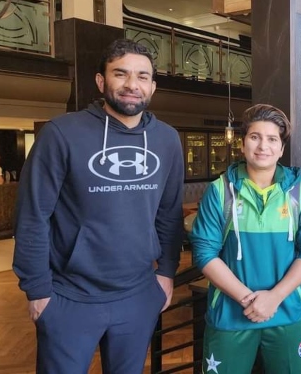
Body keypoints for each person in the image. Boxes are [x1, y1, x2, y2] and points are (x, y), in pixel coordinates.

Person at [13, 38, 185, 373]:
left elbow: (169, 213)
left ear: (153, 86)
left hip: (138, 294)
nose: (132, 84)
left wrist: (166, 272)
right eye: (120, 74)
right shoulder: (61, 133)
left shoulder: (167, 139)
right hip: (69, 297)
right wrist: (37, 290)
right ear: (100, 81)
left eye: (142, 76)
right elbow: (32, 215)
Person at [189, 104, 301, 374]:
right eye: (255, 137)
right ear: (242, 144)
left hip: (287, 313)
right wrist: (249, 301)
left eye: (272, 139)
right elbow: (204, 253)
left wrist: (274, 297)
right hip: (230, 316)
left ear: (281, 149)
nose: (263, 146)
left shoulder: (299, 192)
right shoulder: (220, 191)